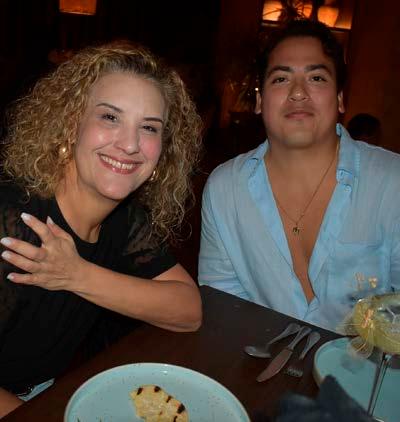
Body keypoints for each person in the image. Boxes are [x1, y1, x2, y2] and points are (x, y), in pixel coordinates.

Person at [0, 41, 203, 417]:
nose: (130, 144)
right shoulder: (14, 219)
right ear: (70, 125)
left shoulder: (124, 220)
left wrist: (76, 274)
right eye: (110, 117)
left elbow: (188, 311)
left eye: (149, 128)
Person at [198, 19, 400, 332]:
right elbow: (222, 306)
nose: (298, 93)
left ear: (340, 98)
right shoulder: (225, 190)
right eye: (281, 79)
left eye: (316, 78)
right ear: (260, 101)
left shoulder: (391, 183)